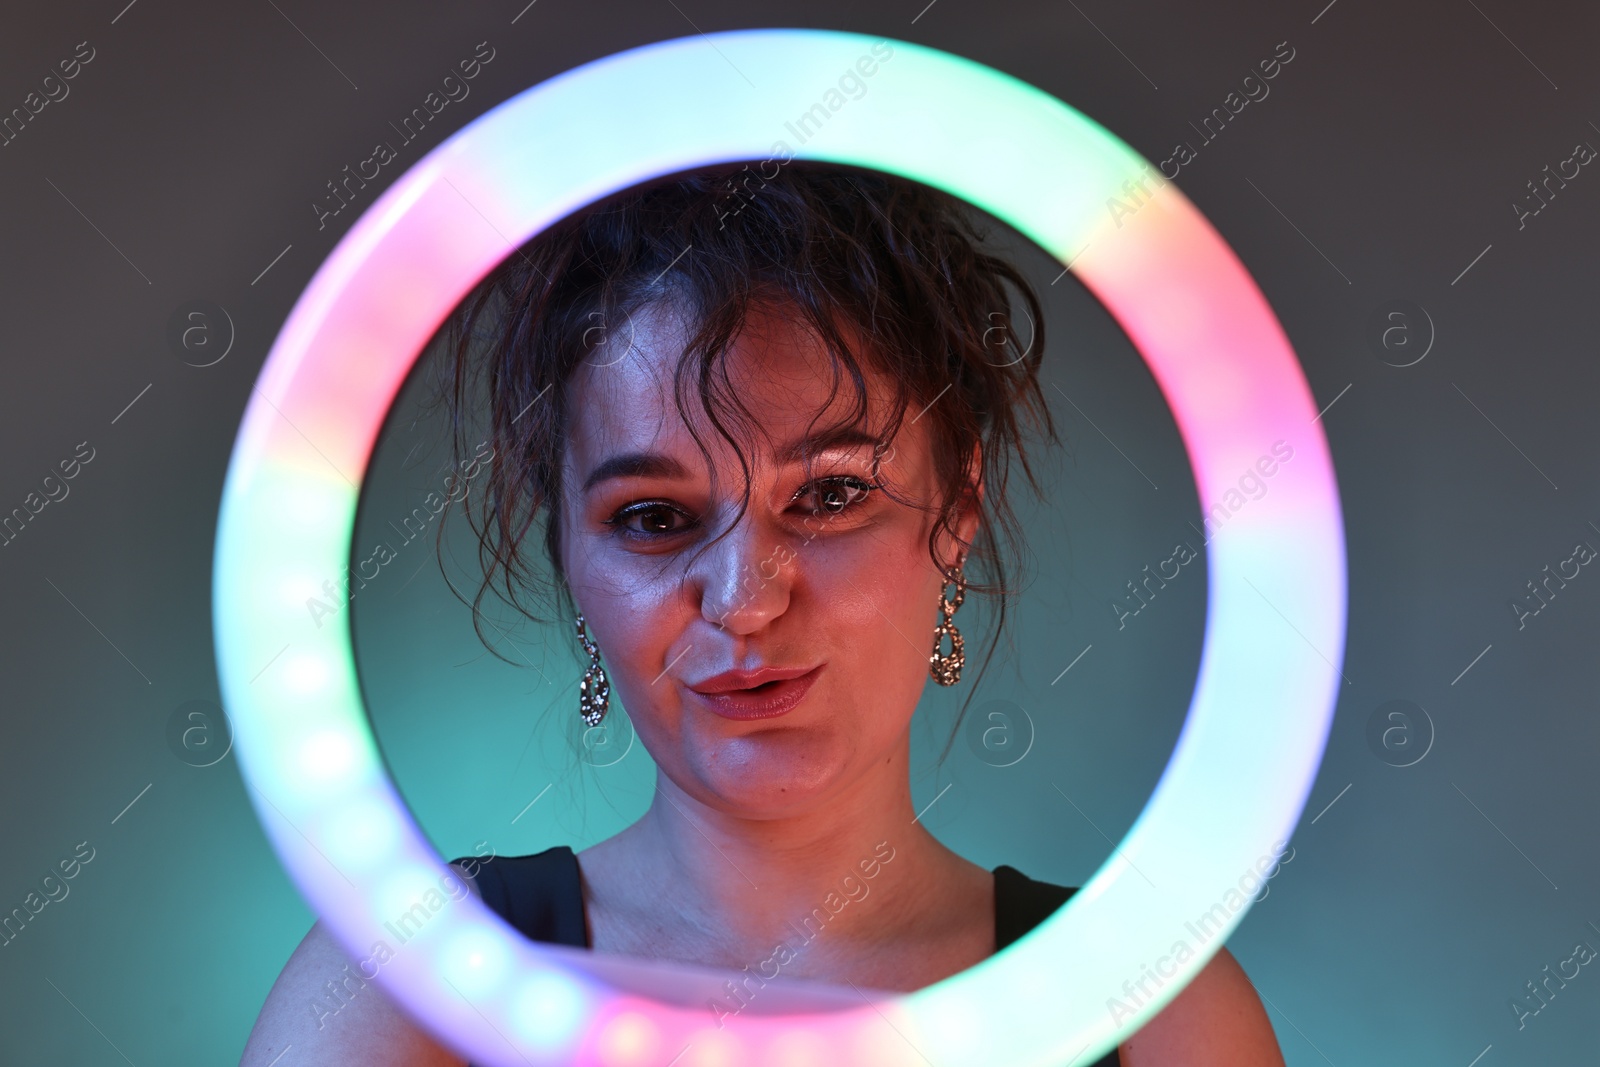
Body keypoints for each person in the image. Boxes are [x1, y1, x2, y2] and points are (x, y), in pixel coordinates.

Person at [239, 164, 1284, 1066]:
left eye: (831, 495)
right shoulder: (407, 975)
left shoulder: (1156, 1013)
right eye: (652, 516)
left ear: (958, 504)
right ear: (567, 548)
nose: (743, 599)